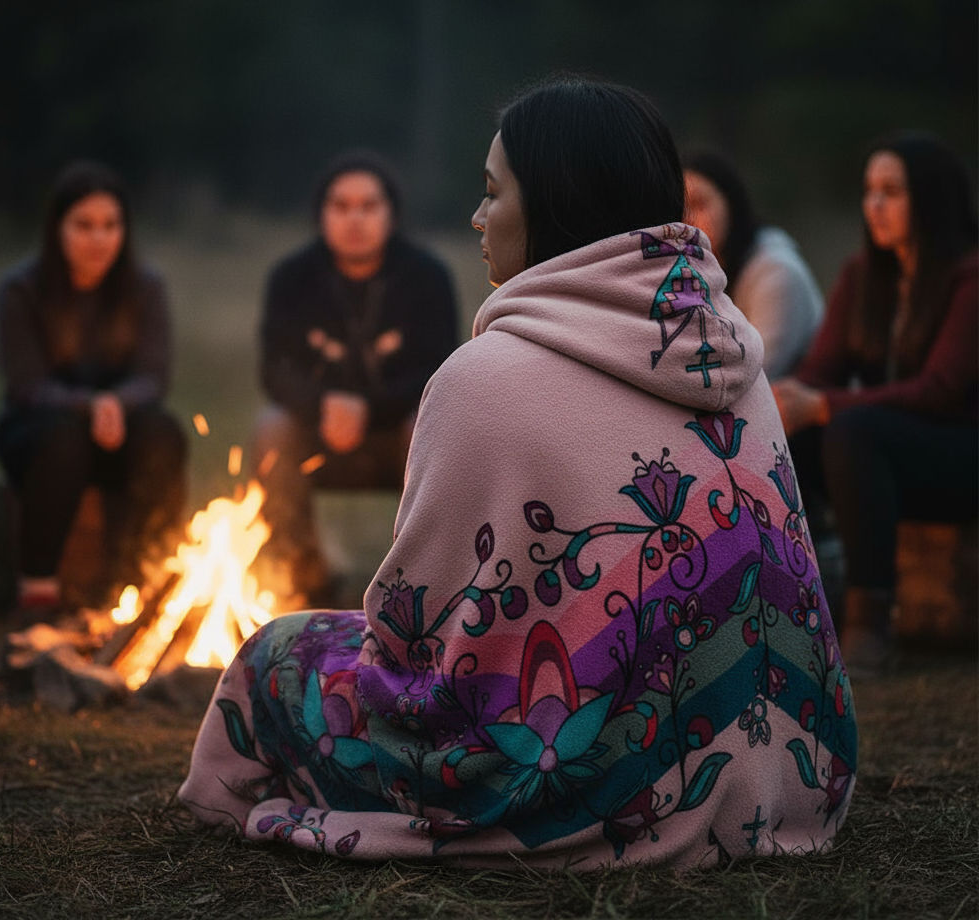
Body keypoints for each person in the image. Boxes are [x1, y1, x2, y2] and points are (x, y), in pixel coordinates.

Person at [181, 79, 855, 869]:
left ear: (556, 207)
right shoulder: (738, 355)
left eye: (493, 192)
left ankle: (232, 795)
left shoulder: (482, 377)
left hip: (594, 786)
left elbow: (409, 634)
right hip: (798, 770)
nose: (476, 216)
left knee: (276, 655)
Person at [772, 132, 978, 674]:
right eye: (868, 190)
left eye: (892, 191)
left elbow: (942, 390)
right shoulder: (863, 275)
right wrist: (784, 401)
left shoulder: (970, 278)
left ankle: (869, 624)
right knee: (796, 431)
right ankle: (787, 600)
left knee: (851, 429)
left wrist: (822, 406)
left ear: (930, 200)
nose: (875, 205)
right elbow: (821, 373)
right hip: (890, 451)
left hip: (960, 454)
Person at [252, 151, 458, 605]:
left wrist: (369, 410)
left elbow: (440, 370)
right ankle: (305, 581)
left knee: (432, 429)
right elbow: (274, 369)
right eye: (341, 206)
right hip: (316, 436)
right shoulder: (292, 278)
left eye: (369, 206)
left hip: (397, 435)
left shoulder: (427, 278)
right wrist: (323, 406)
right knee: (272, 428)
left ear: (392, 212)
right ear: (321, 213)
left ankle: (421, 586)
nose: (355, 218)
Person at [0, 160, 187, 614]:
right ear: (56, 227)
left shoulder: (145, 287)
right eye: (83, 225)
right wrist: (90, 406)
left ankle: (138, 576)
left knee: (164, 433)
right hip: (37, 433)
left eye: (110, 225)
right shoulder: (22, 289)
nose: (99, 238)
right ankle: (38, 583)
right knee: (63, 438)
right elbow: (26, 384)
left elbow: (153, 375)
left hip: (121, 429)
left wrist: (116, 404)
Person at [683, 152, 823, 379]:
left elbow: (754, 374)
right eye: (680, 209)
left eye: (698, 205)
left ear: (731, 204)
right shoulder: (694, 272)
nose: (687, 221)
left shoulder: (777, 273)